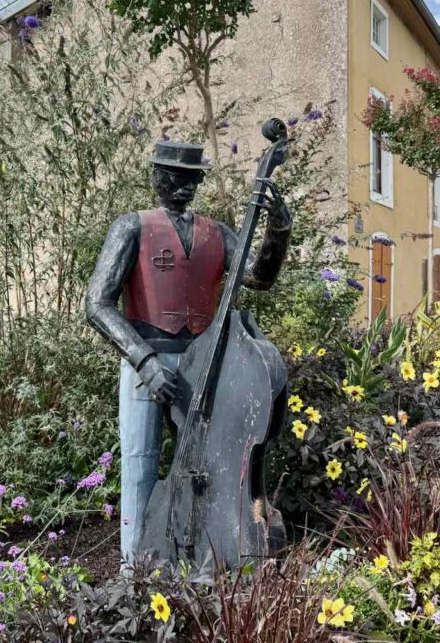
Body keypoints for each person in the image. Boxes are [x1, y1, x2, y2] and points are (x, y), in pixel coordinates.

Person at [85, 139, 292, 563]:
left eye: (190, 178)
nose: (181, 185)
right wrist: (143, 360)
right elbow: (96, 304)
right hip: (145, 358)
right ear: (156, 177)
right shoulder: (131, 227)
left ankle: (197, 556)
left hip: (204, 363)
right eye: (172, 176)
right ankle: (134, 567)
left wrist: (279, 232)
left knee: (207, 465)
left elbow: (257, 277)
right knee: (140, 462)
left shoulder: (218, 233)